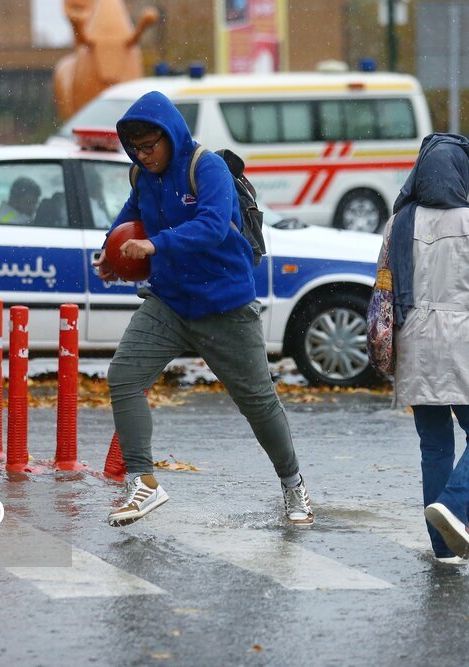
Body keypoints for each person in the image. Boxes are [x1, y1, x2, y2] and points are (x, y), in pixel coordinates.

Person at [92, 91, 313, 528]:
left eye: (149, 146)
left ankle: (294, 486)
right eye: (134, 148)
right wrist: (110, 257)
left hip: (224, 305)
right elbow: (125, 221)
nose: (142, 155)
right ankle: (143, 483)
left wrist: (156, 243)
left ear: (171, 136)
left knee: (258, 402)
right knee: (123, 377)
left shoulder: (205, 166)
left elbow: (213, 225)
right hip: (170, 302)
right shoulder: (142, 175)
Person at [382, 133, 469, 563]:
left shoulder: (400, 222)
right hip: (465, 340)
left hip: (414, 339)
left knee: (434, 446)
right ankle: (455, 507)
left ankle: (443, 547)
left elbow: (384, 284)